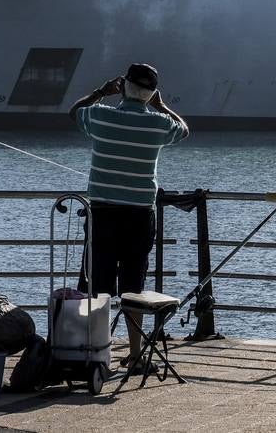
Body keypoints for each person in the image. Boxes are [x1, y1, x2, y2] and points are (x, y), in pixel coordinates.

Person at [68, 62, 188, 372]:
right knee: (133, 286)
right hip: (139, 216)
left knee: (96, 283)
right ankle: (135, 356)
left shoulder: (101, 115)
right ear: (151, 94)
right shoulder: (159, 124)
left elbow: (74, 112)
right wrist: (161, 106)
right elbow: (184, 130)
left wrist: (99, 92)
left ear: (122, 88)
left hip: (103, 215)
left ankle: (94, 355)